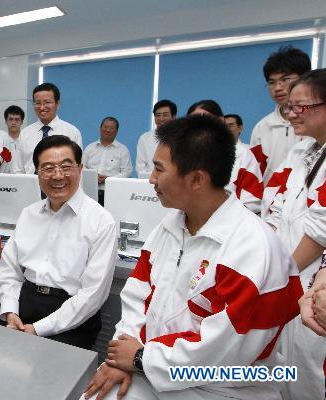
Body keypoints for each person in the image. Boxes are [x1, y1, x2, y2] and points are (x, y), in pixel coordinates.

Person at [84, 115, 302, 400]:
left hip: (223, 387)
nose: (151, 179)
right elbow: (137, 297)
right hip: (154, 367)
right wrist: (124, 355)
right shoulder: (171, 226)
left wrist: (140, 359)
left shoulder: (253, 250)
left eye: (159, 170)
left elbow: (223, 353)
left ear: (197, 179)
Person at [0, 135, 117, 349]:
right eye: (48, 168)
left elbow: (92, 294)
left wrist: (38, 329)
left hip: (73, 318)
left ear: (80, 169)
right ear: (37, 173)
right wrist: (10, 310)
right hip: (24, 304)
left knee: (48, 378)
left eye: (66, 166)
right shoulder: (28, 214)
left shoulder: (101, 221)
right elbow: (9, 272)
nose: (58, 175)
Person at [264, 69, 326, 400]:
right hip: (289, 271)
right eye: (290, 107)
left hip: (312, 279)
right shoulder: (300, 152)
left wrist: (282, 273)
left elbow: (320, 231)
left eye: (300, 107)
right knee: (284, 368)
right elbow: (275, 209)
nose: (290, 114)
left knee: (311, 373)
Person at [188, 100, 263, 214]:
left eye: (205, 120)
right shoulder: (182, 156)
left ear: (221, 122)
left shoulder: (242, 155)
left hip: (230, 226)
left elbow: (252, 201)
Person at [250, 46, 311, 183]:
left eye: (285, 79)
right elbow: (256, 174)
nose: (278, 87)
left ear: (305, 78)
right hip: (271, 201)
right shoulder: (262, 128)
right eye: (272, 83)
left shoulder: (317, 121)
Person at [17, 83, 82, 173]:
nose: (42, 107)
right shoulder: (25, 133)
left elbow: (78, 170)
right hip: (30, 185)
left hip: (61, 184)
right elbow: (18, 169)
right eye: (37, 103)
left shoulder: (71, 132)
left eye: (47, 102)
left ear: (57, 103)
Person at [82, 116, 132, 205]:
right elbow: (81, 166)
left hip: (112, 192)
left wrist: (109, 179)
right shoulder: (90, 148)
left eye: (112, 128)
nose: (108, 130)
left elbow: (127, 172)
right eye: (105, 127)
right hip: (89, 191)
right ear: (100, 129)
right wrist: (93, 176)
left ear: (116, 131)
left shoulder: (123, 150)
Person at [136, 100, 177, 179]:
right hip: (149, 183)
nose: (161, 119)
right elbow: (140, 168)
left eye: (165, 115)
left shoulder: (182, 137)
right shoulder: (144, 138)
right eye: (158, 115)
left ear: (174, 117)